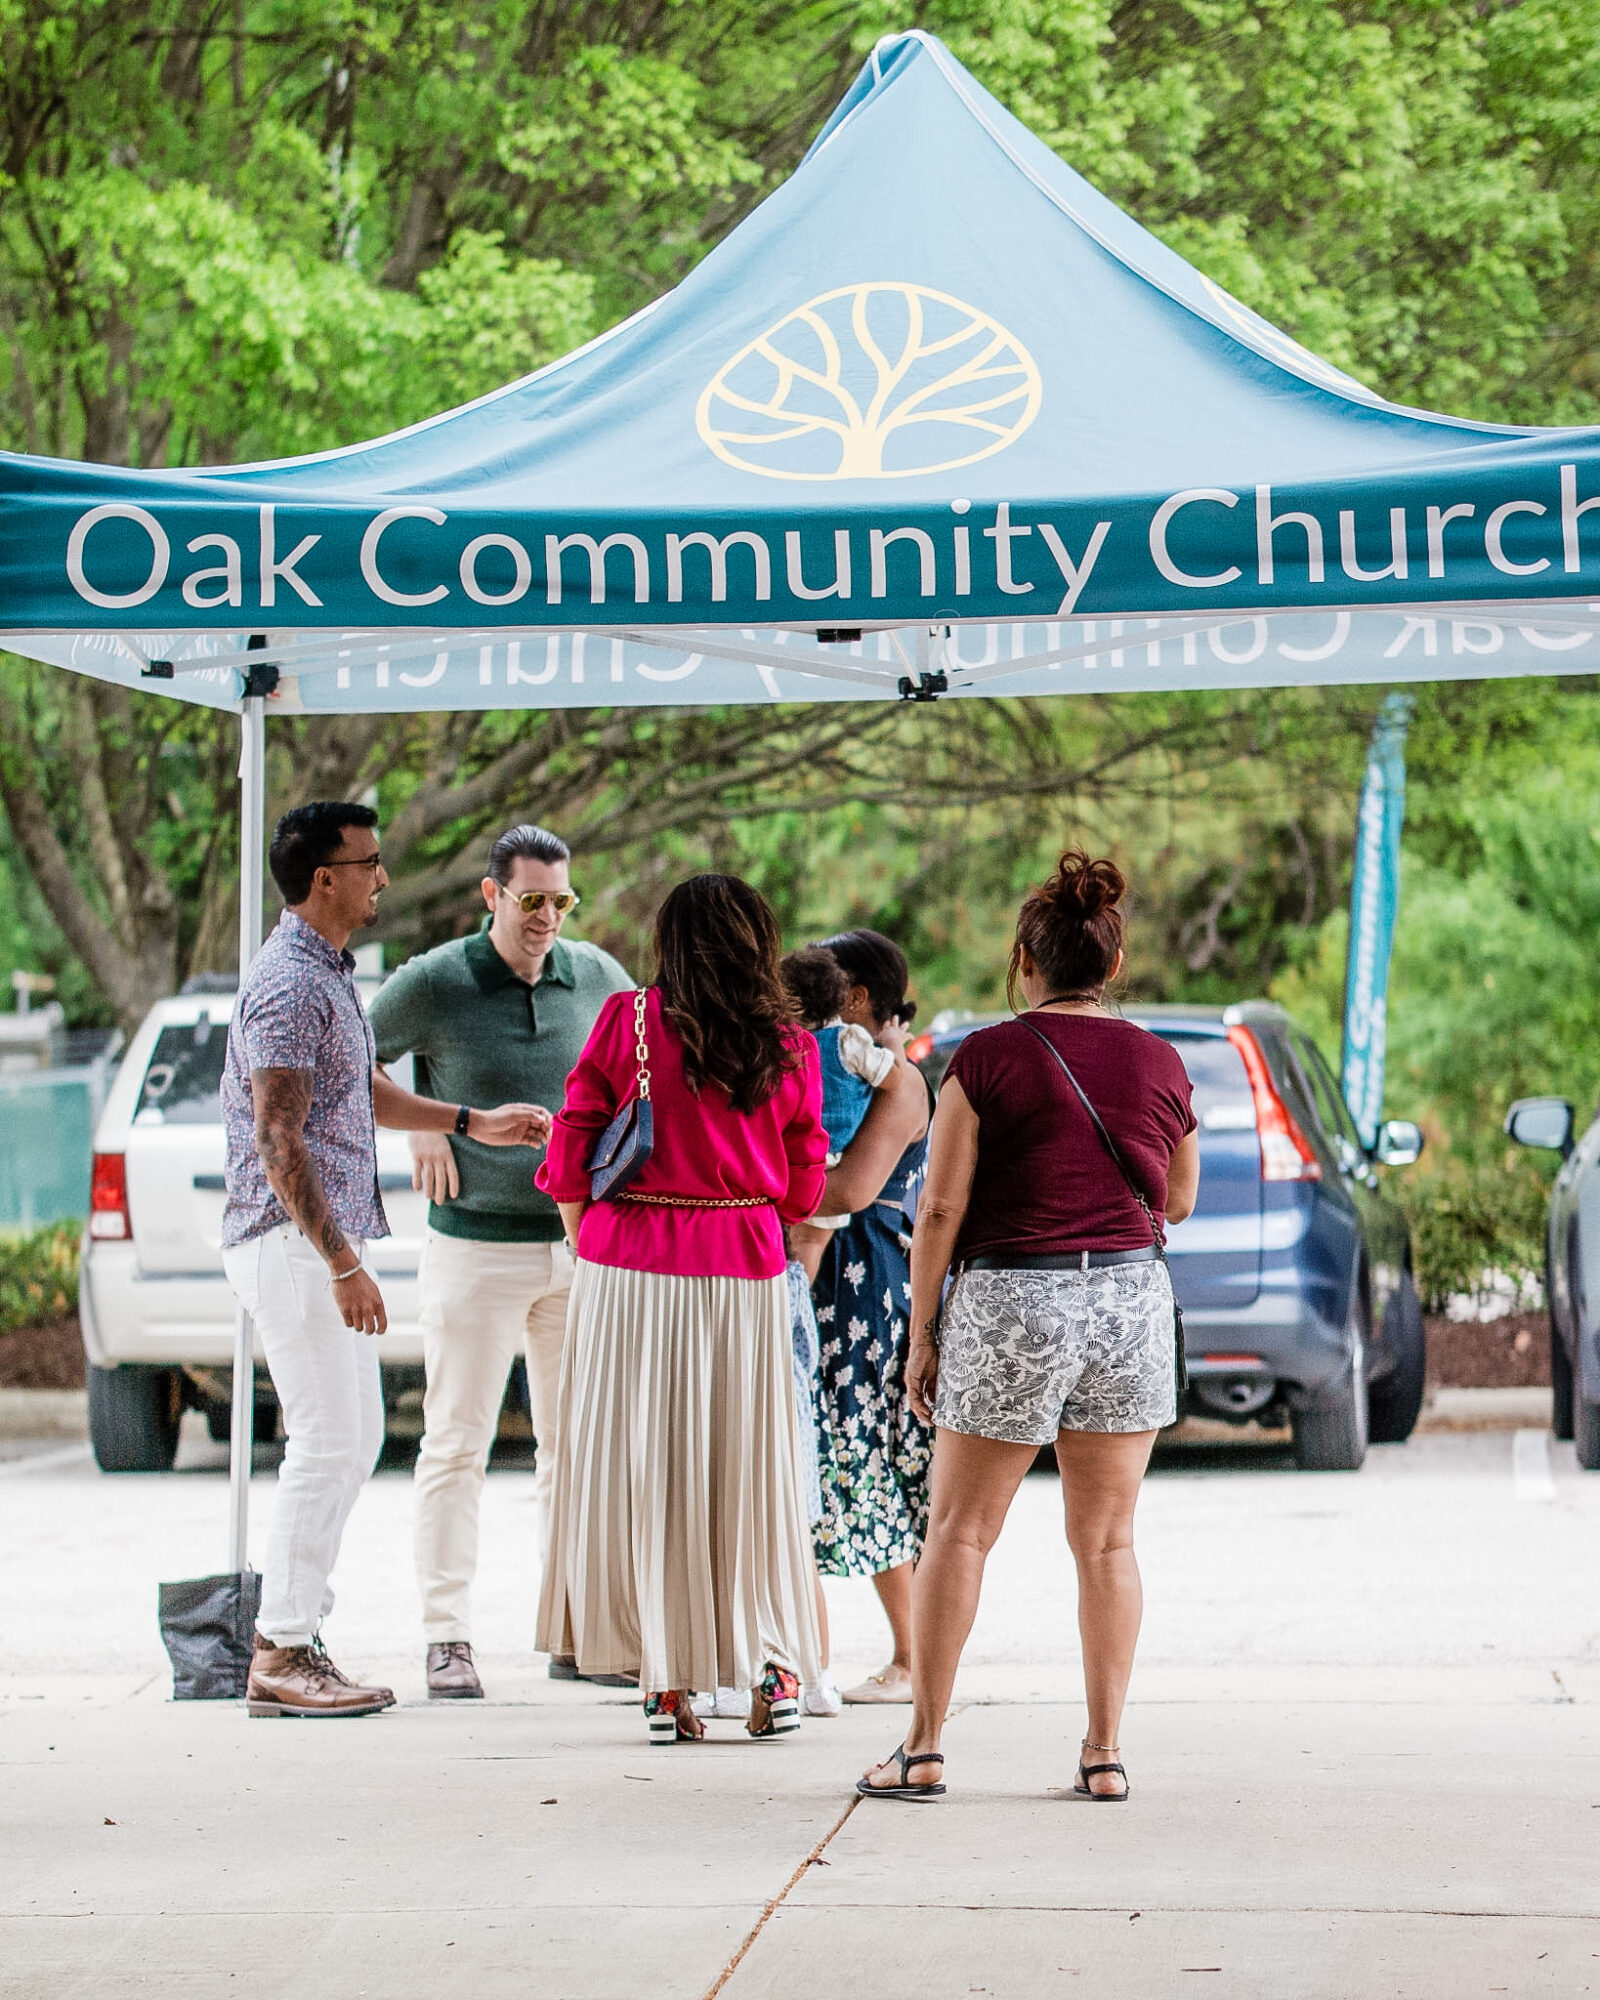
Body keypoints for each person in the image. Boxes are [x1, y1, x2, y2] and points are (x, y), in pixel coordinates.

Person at [857, 852, 1199, 1801]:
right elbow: (1177, 1195)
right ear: (1113, 960)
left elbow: (937, 1211)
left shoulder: (988, 1058)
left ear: (1026, 958)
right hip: (1128, 1302)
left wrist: (923, 1336)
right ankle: (1103, 1754)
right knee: (1108, 1541)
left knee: (959, 1531)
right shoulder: (1160, 1061)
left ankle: (923, 1745)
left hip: (1016, 1298)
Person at [221, 801, 548, 1720]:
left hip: (308, 1243)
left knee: (351, 1436)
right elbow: (278, 1136)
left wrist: (467, 1121)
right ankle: (281, 1651)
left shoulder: (322, 973)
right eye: (368, 863)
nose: (382, 878)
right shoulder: (289, 981)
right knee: (332, 1440)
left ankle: (292, 1637)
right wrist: (338, 1262)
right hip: (290, 1244)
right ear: (323, 878)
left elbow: (353, 1087)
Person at [534, 874, 827, 1744]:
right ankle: (774, 1670)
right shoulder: (792, 1046)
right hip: (741, 1267)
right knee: (750, 1474)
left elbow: (573, 1143)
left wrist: (596, 1236)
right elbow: (805, 1177)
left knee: (649, 1474)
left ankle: (666, 1685)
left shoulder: (627, 1020)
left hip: (627, 1270)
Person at [366, 822, 632, 1700]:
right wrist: (433, 1126)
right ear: (492, 896)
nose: (548, 915)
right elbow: (348, 1062)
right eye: (531, 900)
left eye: (562, 900)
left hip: (577, 1251)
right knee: (455, 1444)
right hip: (473, 1250)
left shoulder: (596, 976)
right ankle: (447, 1638)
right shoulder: (437, 979)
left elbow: (648, 1072)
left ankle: (573, 1630)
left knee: (576, 1451)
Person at [807, 930, 934, 1706]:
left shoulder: (899, 1082)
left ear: (857, 998)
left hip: (866, 1278)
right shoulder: (853, 1064)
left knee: (861, 1452)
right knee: (836, 1451)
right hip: (850, 1278)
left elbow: (847, 1189)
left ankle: (913, 1658)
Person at [780, 946, 896, 1264]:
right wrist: (894, 1046)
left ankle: (789, 1303)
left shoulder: (784, 1043)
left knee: (788, 1243)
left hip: (787, 1154)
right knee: (811, 1247)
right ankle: (796, 1307)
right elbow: (892, 1079)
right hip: (829, 1157)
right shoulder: (848, 1040)